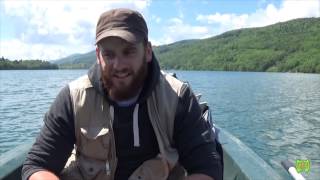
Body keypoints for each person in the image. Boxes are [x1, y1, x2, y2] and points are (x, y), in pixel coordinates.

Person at [22, 8, 223, 180]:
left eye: (128, 51)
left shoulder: (178, 97)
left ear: (148, 51)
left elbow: (207, 169)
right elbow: (37, 165)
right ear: (98, 55)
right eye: (109, 54)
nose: (118, 65)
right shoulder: (72, 98)